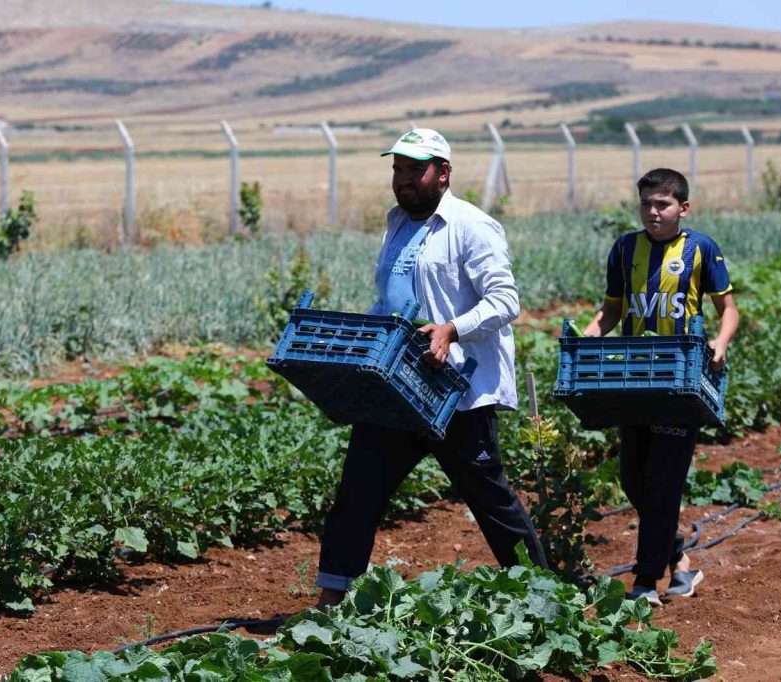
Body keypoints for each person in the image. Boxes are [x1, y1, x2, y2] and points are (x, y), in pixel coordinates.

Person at [315, 128, 548, 608]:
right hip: (397, 387)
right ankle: (331, 600)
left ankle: (546, 595)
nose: (402, 179)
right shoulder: (396, 222)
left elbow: (505, 301)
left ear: (442, 173)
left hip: (456, 391)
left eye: (413, 169)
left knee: (491, 501)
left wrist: (451, 329)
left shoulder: (472, 225)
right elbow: (391, 298)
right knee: (358, 491)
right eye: (397, 168)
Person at [583, 168, 740, 606]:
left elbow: (729, 310)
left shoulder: (700, 249)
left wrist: (720, 342)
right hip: (634, 377)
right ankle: (680, 562)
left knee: (663, 485)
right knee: (633, 478)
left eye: (663, 205)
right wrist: (593, 332)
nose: (653, 212)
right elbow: (610, 311)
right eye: (647, 204)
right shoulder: (624, 249)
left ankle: (644, 582)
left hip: (681, 380)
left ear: (682, 208)